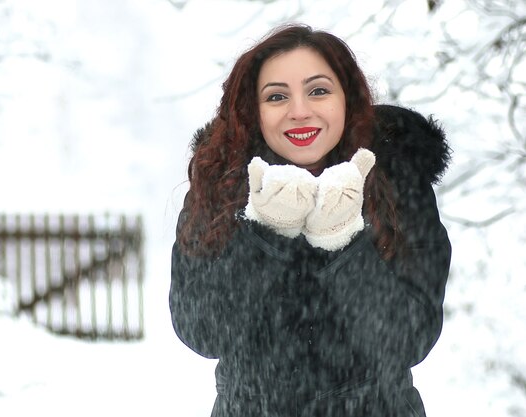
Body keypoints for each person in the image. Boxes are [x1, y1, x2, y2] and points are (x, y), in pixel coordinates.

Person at [169, 23, 451, 417]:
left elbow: (409, 339)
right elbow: (202, 331)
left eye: (318, 90)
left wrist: (343, 242)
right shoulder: (223, 184)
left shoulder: (396, 178)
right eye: (276, 96)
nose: (299, 111)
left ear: (347, 99)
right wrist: (269, 236)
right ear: (255, 110)